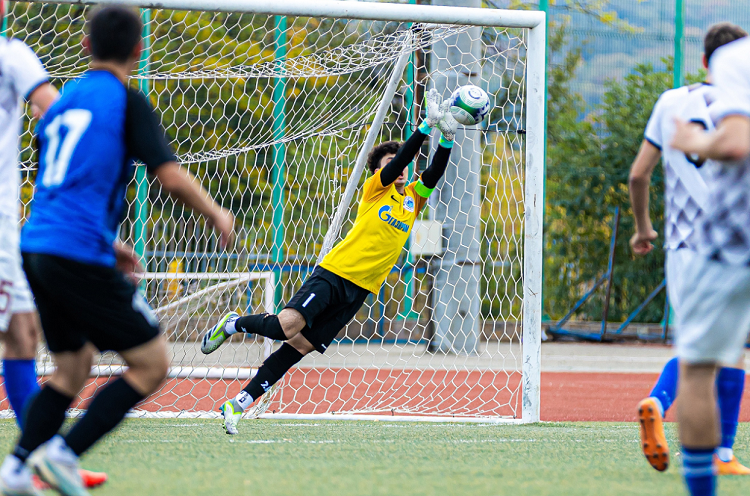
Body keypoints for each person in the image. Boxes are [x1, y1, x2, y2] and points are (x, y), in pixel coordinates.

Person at [0, 5, 234, 496]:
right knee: (152, 364)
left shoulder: (61, 106)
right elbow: (168, 175)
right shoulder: (127, 103)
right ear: (138, 49)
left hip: (37, 248)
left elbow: (60, 189)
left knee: (71, 367)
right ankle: (62, 454)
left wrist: (111, 240)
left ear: (85, 47)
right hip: (76, 254)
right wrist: (216, 213)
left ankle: (16, 470)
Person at [201, 88, 460, 434]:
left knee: (298, 348)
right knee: (284, 327)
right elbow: (398, 162)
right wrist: (424, 128)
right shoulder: (375, 190)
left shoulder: (412, 200)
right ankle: (232, 324)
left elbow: (432, 176)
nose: (401, 171)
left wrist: (446, 138)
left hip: (359, 291)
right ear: (380, 172)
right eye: (392, 166)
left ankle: (238, 404)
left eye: (403, 167)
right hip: (334, 274)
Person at [629, 22, 749, 477]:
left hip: (683, 245)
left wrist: (644, 228)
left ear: (704, 60)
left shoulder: (671, 102)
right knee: (730, 351)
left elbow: (639, 174)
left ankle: (661, 403)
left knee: (700, 352)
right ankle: (722, 453)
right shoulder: (741, 101)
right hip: (735, 241)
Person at [0, 0, 107, 490]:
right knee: (19, 332)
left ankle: (37, 459)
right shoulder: (12, 54)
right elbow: (58, 113)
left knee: (20, 334)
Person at [669, 33, 750, 496]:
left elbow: (737, 143)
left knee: (699, 366)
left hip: (733, 240)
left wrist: (695, 138)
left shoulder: (735, 61)